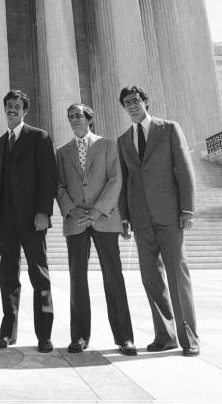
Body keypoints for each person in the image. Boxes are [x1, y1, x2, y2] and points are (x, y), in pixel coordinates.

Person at [117, 86, 200, 357]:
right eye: (127, 103)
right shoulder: (124, 140)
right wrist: (124, 216)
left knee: (177, 275)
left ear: (146, 102)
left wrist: (187, 209)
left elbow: (185, 169)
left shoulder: (168, 129)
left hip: (169, 214)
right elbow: (125, 181)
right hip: (141, 218)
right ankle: (165, 335)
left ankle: (189, 338)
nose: (132, 106)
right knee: (151, 277)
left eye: (135, 101)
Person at [55, 104, 136, 355]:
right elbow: (58, 185)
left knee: (113, 277)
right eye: (70, 117)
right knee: (77, 279)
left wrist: (98, 210)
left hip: (105, 218)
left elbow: (116, 179)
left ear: (89, 118)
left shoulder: (107, 145)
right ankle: (79, 336)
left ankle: (124, 337)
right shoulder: (62, 151)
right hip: (76, 220)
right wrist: (71, 209)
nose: (74, 120)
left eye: (78, 116)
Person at [0, 90, 56, 353]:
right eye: (8, 105)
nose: (12, 109)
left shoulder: (38, 137)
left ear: (24, 110)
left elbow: (48, 177)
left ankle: (44, 335)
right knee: (8, 276)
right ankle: (8, 332)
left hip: (33, 219)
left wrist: (44, 212)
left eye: (16, 106)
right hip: (7, 220)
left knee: (39, 275)